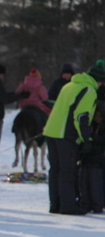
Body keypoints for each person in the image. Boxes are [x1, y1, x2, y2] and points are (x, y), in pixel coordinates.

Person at [44, 60, 105, 214]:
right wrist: (86, 139)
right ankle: (68, 206)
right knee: (68, 171)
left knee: (55, 170)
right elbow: (81, 117)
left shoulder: (69, 85)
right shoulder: (89, 90)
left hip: (51, 132)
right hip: (67, 135)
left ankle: (55, 205)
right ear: (98, 80)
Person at [78, 101, 105, 214]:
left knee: (96, 183)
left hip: (98, 160)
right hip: (87, 159)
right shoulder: (90, 126)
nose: (97, 118)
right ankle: (86, 203)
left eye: (100, 116)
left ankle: (97, 204)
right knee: (84, 182)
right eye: (96, 116)